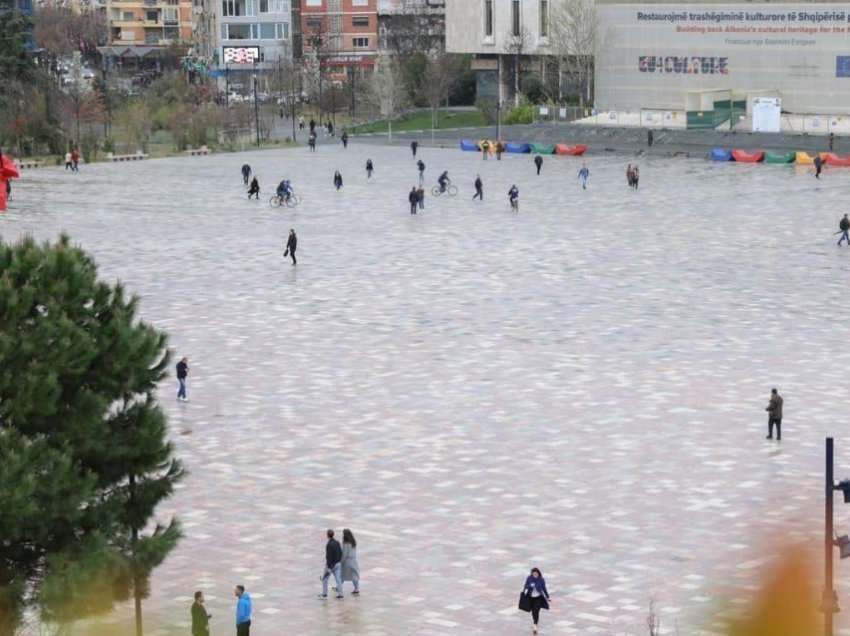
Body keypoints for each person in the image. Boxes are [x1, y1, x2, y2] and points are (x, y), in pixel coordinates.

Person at [519, 568, 551, 634]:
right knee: (533, 611)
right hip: (530, 598)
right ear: (532, 573)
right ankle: (535, 622)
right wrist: (529, 586)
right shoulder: (529, 578)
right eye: (534, 573)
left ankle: (535, 625)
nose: (535, 574)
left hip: (538, 598)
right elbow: (525, 586)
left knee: (536, 610)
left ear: (538, 573)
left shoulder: (541, 580)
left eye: (536, 573)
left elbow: (544, 589)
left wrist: (547, 597)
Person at [320, 529, 344, 599]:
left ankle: (324, 594)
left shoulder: (329, 545)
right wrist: (339, 561)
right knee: (338, 580)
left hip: (331, 565)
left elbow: (329, 557)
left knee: (324, 579)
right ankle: (340, 594)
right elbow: (340, 553)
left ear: (327, 535)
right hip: (338, 563)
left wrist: (329, 568)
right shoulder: (337, 542)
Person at [341, 528, 360, 595]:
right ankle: (356, 588)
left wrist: (341, 561)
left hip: (347, 561)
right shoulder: (353, 542)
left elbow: (345, 554)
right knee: (354, 574)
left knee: (342, 574)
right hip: (354, 560)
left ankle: (338, 587)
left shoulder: (346, 543)